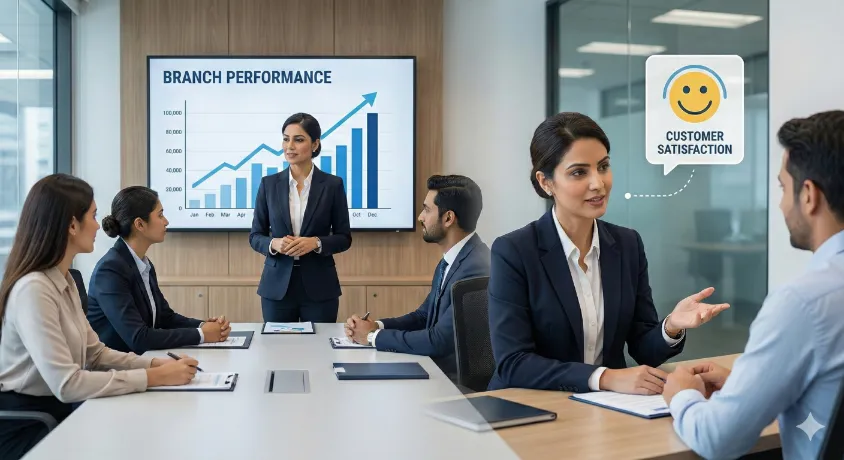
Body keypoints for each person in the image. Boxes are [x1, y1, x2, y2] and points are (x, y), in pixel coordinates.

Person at [486, 112, 729, 394]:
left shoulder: (627, 245)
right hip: (532, 407)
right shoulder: (514, 251)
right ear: (546, 182)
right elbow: (514, 363)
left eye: (603, 167)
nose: (598, 183)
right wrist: (604, 378)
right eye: (579, 172)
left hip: (607, 410)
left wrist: (671, 326)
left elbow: (644, 349)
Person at [663, 110, 844, 460]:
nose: (779, 203)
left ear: (809, 195)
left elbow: (718, 439)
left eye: (782, 188)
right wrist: (750, 388)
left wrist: (683, 395)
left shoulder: (804, 302)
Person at [0, 174, 199, 460]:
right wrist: (153, 376)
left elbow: (96, 355)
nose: (99, 224)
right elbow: (68, 384)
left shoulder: (65, 280)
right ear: (71, 225)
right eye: (92, 216)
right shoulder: (34, 290)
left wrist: (158, 363)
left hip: (63, 412)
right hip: (32, 425)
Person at [344, 175, 489, 380]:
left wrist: (372, 337)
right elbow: (423, 316)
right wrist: (377, 326)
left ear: (448, 218)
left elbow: (439, 340)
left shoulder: (477, 266)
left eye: (427, 210)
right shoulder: (451, 261)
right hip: (436, 371)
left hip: (455, 383)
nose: (420, 217)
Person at [86, 186, 230, 354]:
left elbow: (165, 318)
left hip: (141, 362)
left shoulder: (143, 264)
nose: (166, 221)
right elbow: (139, 338)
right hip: (115, 371)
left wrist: (203, 326)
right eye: (160, 215)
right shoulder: (110, 271)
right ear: (139, 224)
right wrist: (201, 335)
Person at [249, 113, 352, 323]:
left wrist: (316, 242)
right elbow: (255, 236)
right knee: (277, 352)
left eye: (298, 139)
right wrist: (274, 243)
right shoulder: (268, 185)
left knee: (319, 351)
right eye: (286, 139)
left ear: (315, 144)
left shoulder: (333, 185)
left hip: (320, 286)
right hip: (277, 287)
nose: (290, 146)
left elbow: (344, 237)